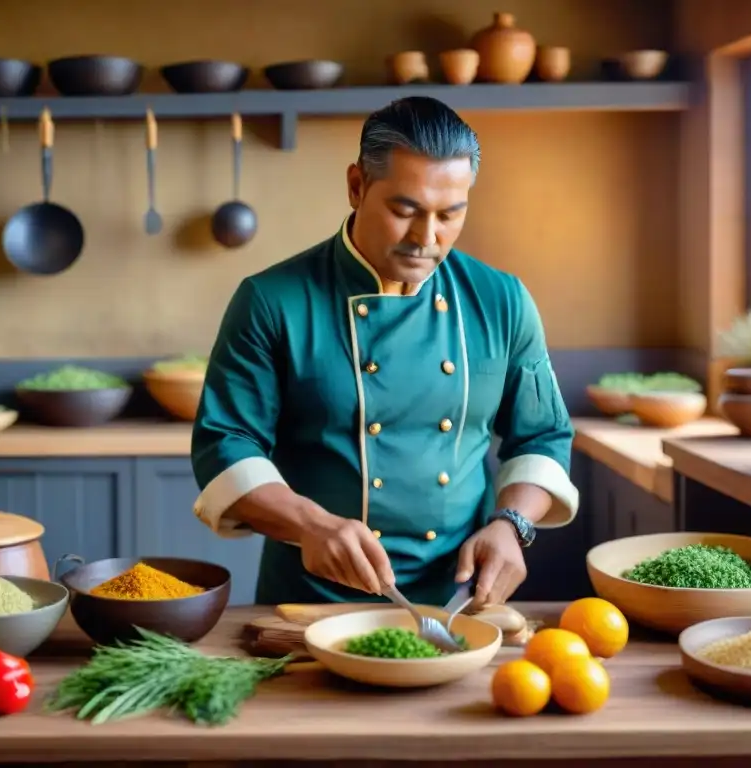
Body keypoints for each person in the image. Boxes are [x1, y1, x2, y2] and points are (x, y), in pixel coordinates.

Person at [190, 96, 578, 609]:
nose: (427, 238)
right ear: (356, 186)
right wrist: (312, 526)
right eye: (405, 210)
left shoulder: (502, 300)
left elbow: (543, 435)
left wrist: (512, 524)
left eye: (450, 214)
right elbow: (226, 444)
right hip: (310, 603)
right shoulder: (272, 301)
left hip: (460, 601)